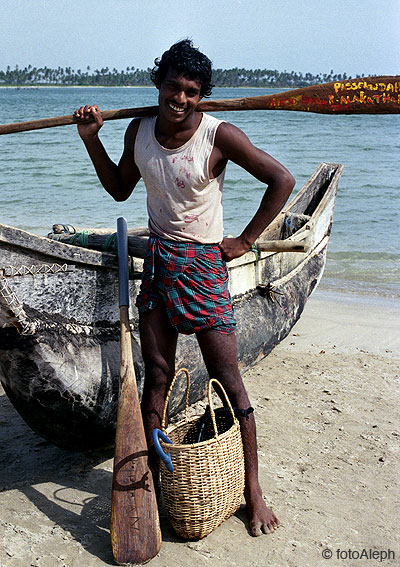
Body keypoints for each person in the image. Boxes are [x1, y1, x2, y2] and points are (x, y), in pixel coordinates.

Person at [74, 39, 295, 537]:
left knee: (227, 376)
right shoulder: (139, 131)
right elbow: (119, 187)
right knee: (157, 371)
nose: (180, 98)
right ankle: (151, 480)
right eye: (172, 86)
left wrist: (245, 240)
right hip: (158, 261)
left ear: (202, 96)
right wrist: (91, 138)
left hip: (203, 266)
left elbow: (280, 179)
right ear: (158, 84)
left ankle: (252, 492)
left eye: (192, 91)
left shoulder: (220, 136)